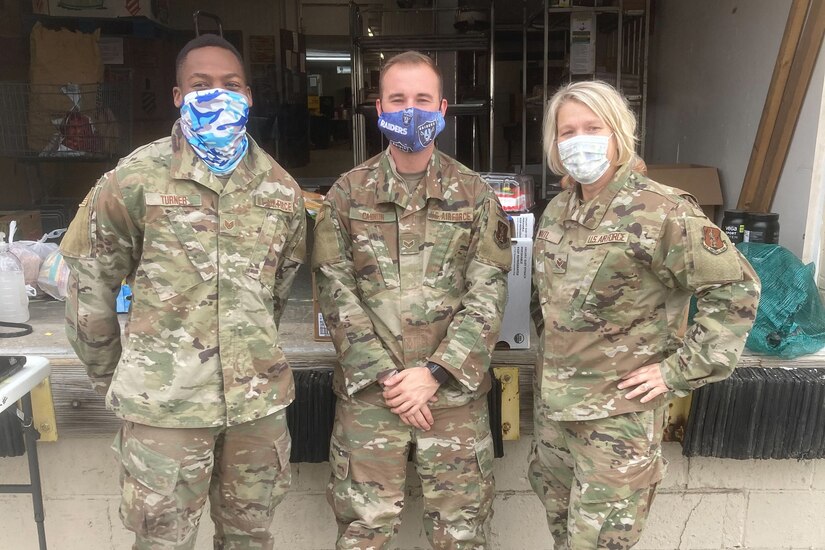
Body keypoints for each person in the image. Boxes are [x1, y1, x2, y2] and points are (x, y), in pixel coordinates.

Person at [60, 34, 306, 549]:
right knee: (163, 543)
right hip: (164, 411)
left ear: (249, 95)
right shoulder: (132, 180)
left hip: (255, 411)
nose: (217, 93)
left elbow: (276, 295)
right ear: (177, 96)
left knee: (250, 540)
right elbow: (90, 294)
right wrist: (119, 381)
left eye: (230, 84)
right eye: (201, 84)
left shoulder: (280, 189)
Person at [528, 80, 760, 549]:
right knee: (563, 537)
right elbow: (546, 304)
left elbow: (735, 290)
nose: (578, 140)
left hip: (617, 423)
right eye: (566, 131)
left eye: (592, 127)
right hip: (555, 419)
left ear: (619, 133)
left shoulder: (663, 211)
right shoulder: (557, 210)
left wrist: (677, 371)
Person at [312, 50, 511, 549]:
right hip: (371, 400)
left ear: (442, 109)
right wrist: (388, 377)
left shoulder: (474, 196)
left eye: (422, 100)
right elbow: (333, 290)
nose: (410, 110)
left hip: (452, 401)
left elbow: (488, 293)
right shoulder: (346, 194)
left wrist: (435, 373)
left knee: (461, 535)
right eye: (398, 99)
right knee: (363, 534)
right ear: (379, 108)